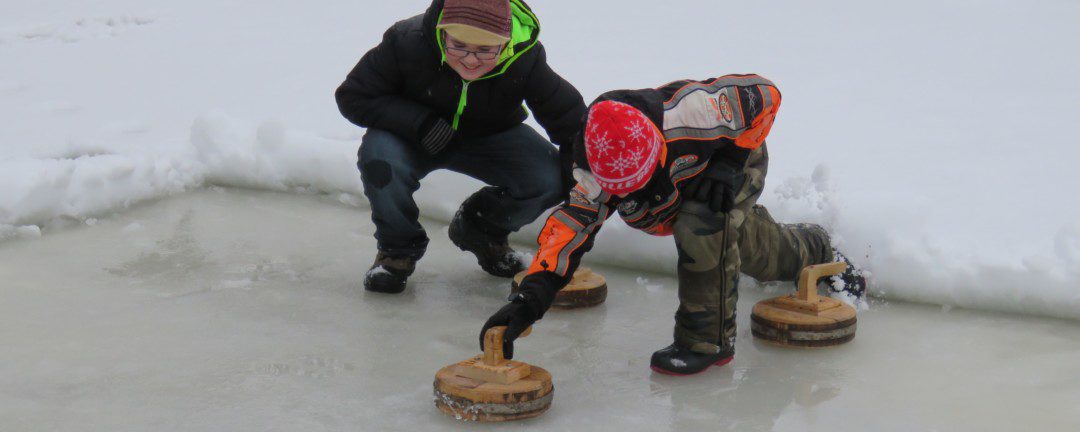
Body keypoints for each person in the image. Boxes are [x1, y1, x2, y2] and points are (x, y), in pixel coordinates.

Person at [480, 74, 868, 375]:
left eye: (640, 181)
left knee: (701, 225)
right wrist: (529, 300)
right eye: (623, 191)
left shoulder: (693, 112)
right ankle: (814, 248)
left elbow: (765, 93)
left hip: (729, 161)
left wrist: (729, 162)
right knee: (744, 246)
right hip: (682, 186)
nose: (634, 193)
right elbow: (567, 233)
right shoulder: (589, 172)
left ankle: (705, 342)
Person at [335, 0, 586, 293]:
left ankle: (481, 230)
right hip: (411, 137)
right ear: (442, 34)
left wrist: (579, 195)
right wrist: (419, 123)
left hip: (490, 136)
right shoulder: (406, 42)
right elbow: (354, 95)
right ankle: (396, 252)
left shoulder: (525, 56)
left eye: (485, 51)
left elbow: (572, 125)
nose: (470, 60)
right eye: (459, 47)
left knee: (548, 178)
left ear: (505, 45)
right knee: (379, 159)